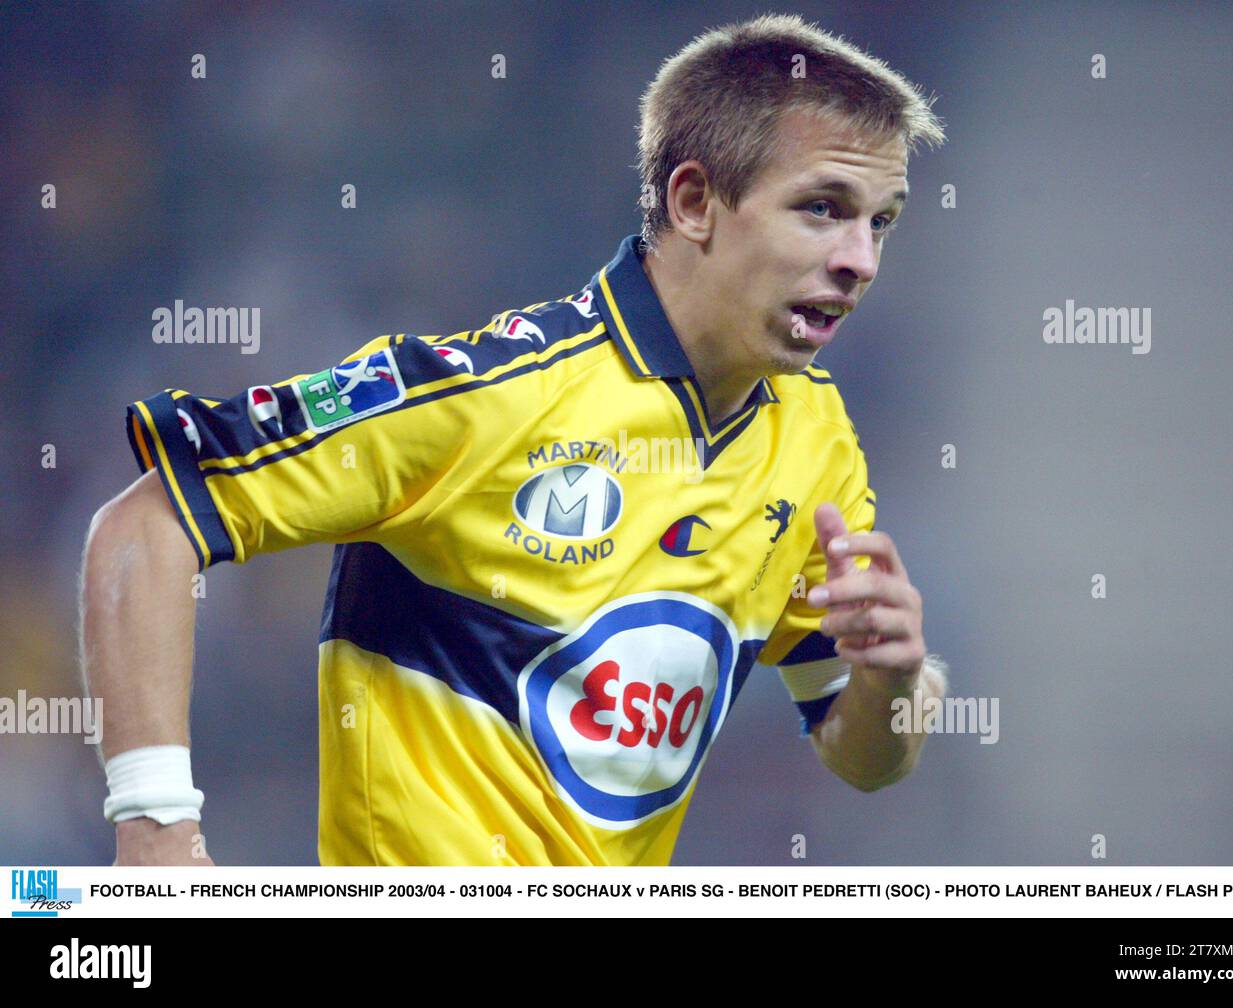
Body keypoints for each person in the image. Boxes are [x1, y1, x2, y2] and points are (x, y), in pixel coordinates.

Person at [81, 12, 949, 867]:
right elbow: (147, 526)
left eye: (881, 222)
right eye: (823, 209)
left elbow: (863, 758)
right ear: (693, 203)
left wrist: (892, 683)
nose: (860, 260)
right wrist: (157, 830)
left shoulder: (817, 438)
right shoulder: (482, 397)